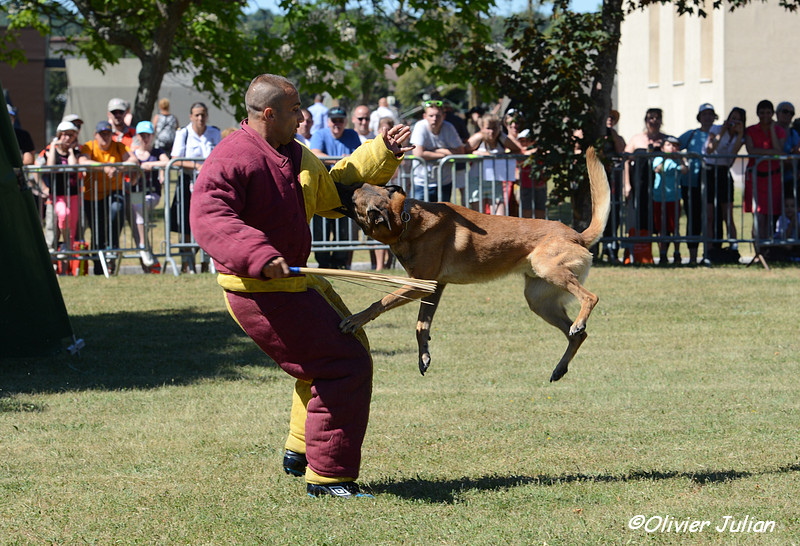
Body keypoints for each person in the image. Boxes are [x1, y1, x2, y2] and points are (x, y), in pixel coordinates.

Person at [188, 74, 412, 498]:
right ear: (269, 113)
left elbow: (334, 187)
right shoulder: (233, 156)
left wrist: (384, 151)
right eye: (295, 110)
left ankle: (299, 451)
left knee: (337, 349)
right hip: (255, 288)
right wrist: (258, 255)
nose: (304, 116)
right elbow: (209, 214)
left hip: (290, 282)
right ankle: (329, 477)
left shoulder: (293, 153)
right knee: (341, 363)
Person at [79, 121, 139, 275]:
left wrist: (118, 167)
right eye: (102, 133)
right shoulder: (89, 146)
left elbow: (133, 160)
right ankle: (99, 268)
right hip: (92, 195)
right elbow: (83, 161)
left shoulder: (118, 146)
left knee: (116, 209)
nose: (105, 137)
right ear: (95, 135)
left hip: (114, 190)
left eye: (108, 133)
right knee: (97, 230)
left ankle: (112, 248)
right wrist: (104, 166)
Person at [170, 101, 222, 273]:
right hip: (187, 182)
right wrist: (197, 166)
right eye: (197, 115)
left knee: (209, 222)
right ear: (191, 116)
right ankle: (187, 263)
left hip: (210, 184)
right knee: (185, 224)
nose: (200, 118)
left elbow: (220, 155)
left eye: (203, 114)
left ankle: (206, 263)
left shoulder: (214, 132)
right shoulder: (183, 133)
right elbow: (176, 159)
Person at [310, 106, 362, 269]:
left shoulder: (352, 134)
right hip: (323, 189)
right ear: (328, 121)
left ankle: (339, 262)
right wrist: (340, 160)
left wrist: (338, 160)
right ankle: (323, 263)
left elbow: (358, 155)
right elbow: (315, 153)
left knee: (344, 227)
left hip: (345, 190)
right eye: (334, 120)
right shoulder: (319, 134)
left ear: (346, 121)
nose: (337, 124)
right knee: (321, 228)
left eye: (340, 120)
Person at [624, 108, 666, 264]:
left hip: (659, 188)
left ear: (661, 120)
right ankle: (636, 254)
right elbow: (625, 160)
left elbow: (677, 149)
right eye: (650, 118)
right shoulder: (636, 139)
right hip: (638, 186)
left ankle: (663, 255)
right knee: (637, 219)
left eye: (657, 118)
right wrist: (626, 184)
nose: (653, 121)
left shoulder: (665, 140)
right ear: (645, 120)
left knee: (660, 220)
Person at [35, 121, 82, 259]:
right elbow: (44, 168)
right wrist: (43, 188)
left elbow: (73, 167)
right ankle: (52, 262)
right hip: (55, 196)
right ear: (58, 135)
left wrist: (71, 150)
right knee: (54, 226)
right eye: (64, 135)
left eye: (70, 135)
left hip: (73, 194)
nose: (67, 138)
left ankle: (66, 261)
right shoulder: (50, 150)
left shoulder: (76, 151)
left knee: (71, 227)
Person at [678, 103, 717, 265]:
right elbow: (673, 147)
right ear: (699, 117)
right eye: (704, 114)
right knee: (693, 219)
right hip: (691, 183)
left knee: (711, 218)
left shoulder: (719, 134)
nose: (707, 117)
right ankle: (693, 256)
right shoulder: (691, 134)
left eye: (710, 114)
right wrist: (683, 164)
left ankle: (710, 253)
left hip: (712, 182)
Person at [705, 107, 746, 260]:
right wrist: (721, 132)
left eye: (737, 119)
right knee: (709, 215)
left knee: (727, 214)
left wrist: (739, 134)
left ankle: (734, 247)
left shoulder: (739, 137)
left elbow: (730, 158)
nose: (733, 122)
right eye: (732, 118)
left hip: (723, 171)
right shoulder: (715, 129)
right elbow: (709, 149)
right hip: (709, 170)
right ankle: (708, 249)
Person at [130, 120, 169, 273]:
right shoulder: (133, 155)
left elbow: (167, 163)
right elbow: (131, 179)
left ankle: (143, 246)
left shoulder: (158, 152)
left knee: (140, 207)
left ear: (153, 136)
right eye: (142, 135)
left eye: (148, 135)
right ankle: (144, 247)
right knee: (137, 208)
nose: (145, 138)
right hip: (136, 192)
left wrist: (151, 165)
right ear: (137, 136)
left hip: (152, 193)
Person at [745, 99, 786, 240]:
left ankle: (768, 249)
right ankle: (758, 249)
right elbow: (751, 150)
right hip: (755, 178)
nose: (765, 116)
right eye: (762, 113)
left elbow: (779, 151)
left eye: (768, 113)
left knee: (771, 216)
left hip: (773, 178)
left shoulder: (779, 131)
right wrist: (771, 152)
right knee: (758, 217)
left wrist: (773, 130)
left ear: (773, 114)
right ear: (757, 113)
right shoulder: (750, 130)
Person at [410, 99, 465, 202]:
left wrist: (434, 151)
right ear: (425, 116)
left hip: (444, 182)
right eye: (431, 116)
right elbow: (418, 153)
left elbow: (460, 151)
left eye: (438, 116)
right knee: (417, 215)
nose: (434, 119)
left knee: (443, 216)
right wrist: (445, 153)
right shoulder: (420, 126)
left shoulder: (449, 127)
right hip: (422, 182)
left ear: (443, 116)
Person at [466, 113, 520, 215]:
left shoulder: (501, 138)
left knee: (500, 217)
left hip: (495, 181)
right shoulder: (478, 138)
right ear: (482, 128)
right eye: (488, 128)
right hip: (477, 181)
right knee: (478, 217)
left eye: (495, 128)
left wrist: (504, 155)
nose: (492, 132)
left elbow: (516, 149)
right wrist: (478, 153)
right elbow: (464, 150)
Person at [652, 136, 687, 265]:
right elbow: (657, 169)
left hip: (674, 198)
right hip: (659, 198)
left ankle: (677, 253)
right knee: (661, 228)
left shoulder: (678, 161)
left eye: (674, 145)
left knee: (675, 227)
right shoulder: (658, 159)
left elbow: (684, 170)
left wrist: (680, 160)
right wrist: (665, 158)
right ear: (662, 148)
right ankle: (662, 254)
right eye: (668, 145)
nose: (671, 148)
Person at [601, 109, 626, 263]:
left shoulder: (616, 136)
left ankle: (611, 248)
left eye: (612, 117)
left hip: (613, 181)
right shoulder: (594, 137)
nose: (609, 119)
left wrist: (612, 133)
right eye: (606, 116)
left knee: (614, 213)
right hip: (599, 181)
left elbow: (622, 150)